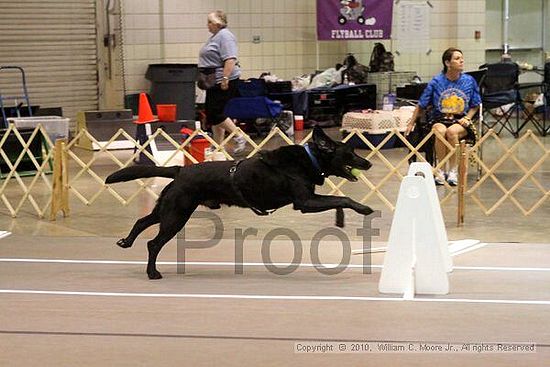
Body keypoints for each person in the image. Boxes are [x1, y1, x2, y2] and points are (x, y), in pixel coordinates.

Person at [405, 47, 481, 186]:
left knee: (452, 132)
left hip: (461, 120)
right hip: (439, 119)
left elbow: (476, 104)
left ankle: (453, 171)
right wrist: (411, 123)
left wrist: (468, 118)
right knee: (440, 131)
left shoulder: (469, 81)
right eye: (457, 58)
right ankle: (441, 169)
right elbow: (421, 104)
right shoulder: (436, 81)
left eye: (461, 58)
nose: (461, 61)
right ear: (447, 63)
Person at [198, 10, 246, 153]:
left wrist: (225, 78)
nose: (208, 25)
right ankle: (218, 146)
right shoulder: (215, 37)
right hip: (213, 80)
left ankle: (239, 135)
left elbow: (230, 58)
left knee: (214, 113)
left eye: (210, 22)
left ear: (218, 23)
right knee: (214, 113)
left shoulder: (225, 36)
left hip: (224, 79)